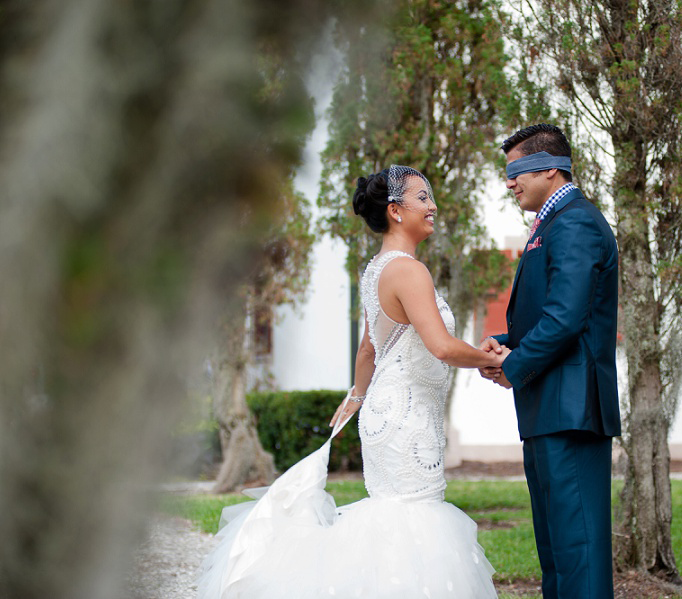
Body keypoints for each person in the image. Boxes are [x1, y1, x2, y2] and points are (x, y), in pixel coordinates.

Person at [196, 165, 506, 599]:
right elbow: (441, 346)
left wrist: (357, 397)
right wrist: (495, 361)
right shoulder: (409, 272)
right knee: (414, 520)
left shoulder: (377, 269)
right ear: (396, 211)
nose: (433, 206)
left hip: (388, 412)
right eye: (423, 197)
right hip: (406, 418)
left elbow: (367, 348)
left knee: (394, 515)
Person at [479, 124, 621, 599]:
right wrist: (503, 344)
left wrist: (513, 366)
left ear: (551, 168)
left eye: (516, 171)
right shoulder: (551, 224)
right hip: (548, 408)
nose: (510, 182)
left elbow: (566, 319)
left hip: (572, 412)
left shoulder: (576, 222)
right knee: (556, 553)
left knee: (578, 549)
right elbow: (548, 315)